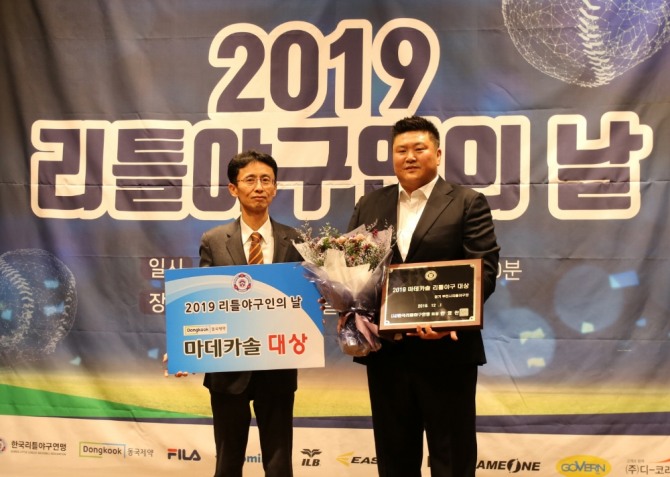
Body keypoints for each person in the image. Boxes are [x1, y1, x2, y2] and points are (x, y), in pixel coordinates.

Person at [345, 115, 500, 477]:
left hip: (447, 352)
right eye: (401, 150)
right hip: (387, 354)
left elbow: (484, 271)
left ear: (438, 154)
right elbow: (352, 269)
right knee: (394, 459)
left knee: (452, 458)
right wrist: (349, 307)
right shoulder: (370, 204)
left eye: (419, 148)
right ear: (392, 156)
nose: (410, 156)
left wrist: (448, 321)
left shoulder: (467, 202)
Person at [168, 150, 302, 477]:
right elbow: (203, 302)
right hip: (227, 371)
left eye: (266, 180)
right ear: (233, 188)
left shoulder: (295, 239)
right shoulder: (214, 240)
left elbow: (302, 299)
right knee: (227, 463)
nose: (259, 187)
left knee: (279, 465)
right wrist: (185, 348)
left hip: (277, 366)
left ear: (275, 188)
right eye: (250, 180)